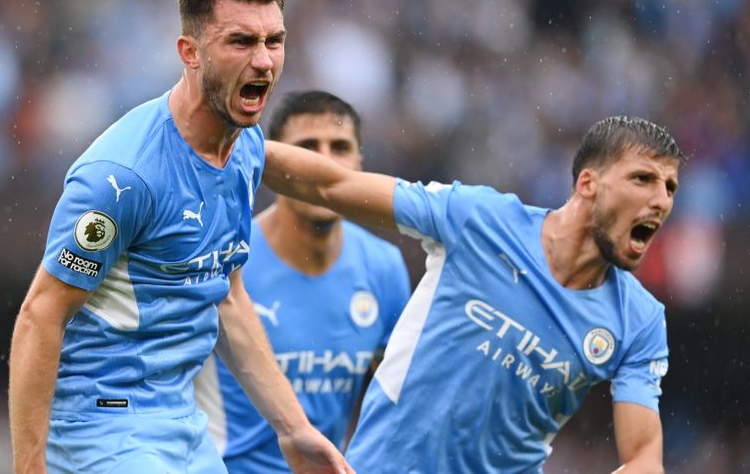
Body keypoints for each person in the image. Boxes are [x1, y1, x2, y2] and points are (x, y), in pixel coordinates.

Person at [8, 0, 352, 474]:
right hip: (101, 426)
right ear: (190, 53)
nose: (263, 61)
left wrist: (294, 427)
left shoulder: (244, 147)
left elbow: (228, 294)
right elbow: (41, 315)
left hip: (180, 424)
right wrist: (29, 468)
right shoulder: (123, 177)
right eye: (241, 41)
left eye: (274, 41)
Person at [263, 115, 684, 472]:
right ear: (588, 184)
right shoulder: (480, 219)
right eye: (643, 178)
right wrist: (233, 147)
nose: (661, 200)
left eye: (670, 187)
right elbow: (332, 186)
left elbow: (645, 455)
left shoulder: (639, 321)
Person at [194, 90, 411, 472]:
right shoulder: (225, 258)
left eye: (339, 148)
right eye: (307, 147)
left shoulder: (383, 267)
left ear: (358, 164)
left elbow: (398, 405)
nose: (321, 163)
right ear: (276, 165)